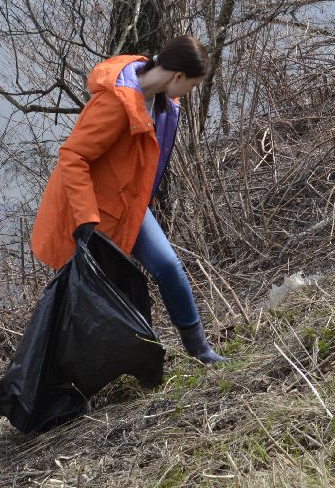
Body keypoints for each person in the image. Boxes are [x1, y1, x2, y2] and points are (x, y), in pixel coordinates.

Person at [31, 35, 225, 364]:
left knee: (167, 266)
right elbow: (72, 157)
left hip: (129, 206)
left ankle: (200, 349)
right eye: (192, 86)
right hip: (90, 214)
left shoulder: (164, 102)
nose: (189, 94)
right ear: (177, 76)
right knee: (81, 300)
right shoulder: (115, 103)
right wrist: (86, 220)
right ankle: (69, 382)